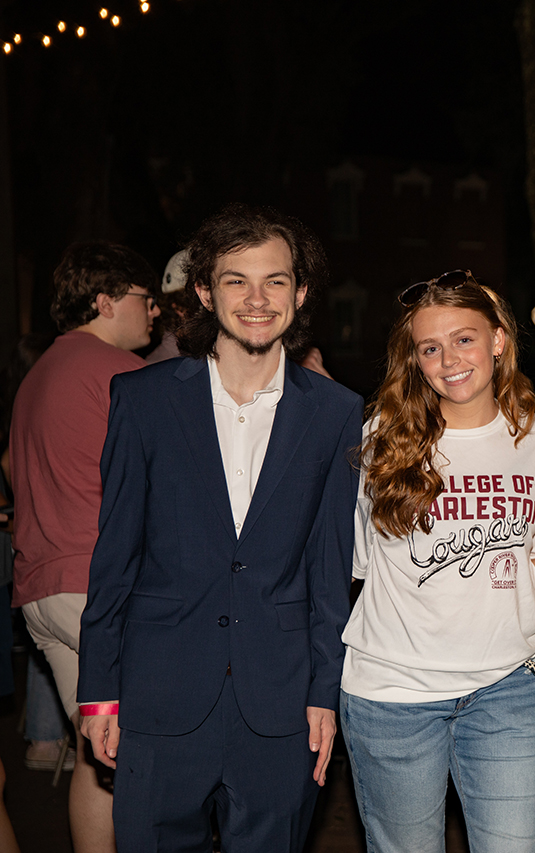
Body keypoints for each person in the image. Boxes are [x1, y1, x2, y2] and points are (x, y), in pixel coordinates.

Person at [77, 204, 363, 852]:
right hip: (157, 696)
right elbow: (114, 555)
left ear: (302, 292)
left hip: (281, 705)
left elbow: (328, 569)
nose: (257, 300)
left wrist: (325, 692)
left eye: (276, 281)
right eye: (237, 280)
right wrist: (97, 692)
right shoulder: (143, 400)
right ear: (206, 291)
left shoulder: (338, 414)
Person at [340, 270, 535, 853]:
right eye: (429, 347)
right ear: (414, 360)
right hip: (393, 692)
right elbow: (362, 565)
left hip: (510, 688)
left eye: (464, 338)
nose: (449, 359)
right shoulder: (382, 437)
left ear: (497, 341)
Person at [8, 242, 158, 853]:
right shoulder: (119, 372)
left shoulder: (37, 375)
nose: (155, 314)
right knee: (156, 752)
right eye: (145, 301)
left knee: (100, 749)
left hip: (43, 590)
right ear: (105, 301)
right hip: (99, 590)